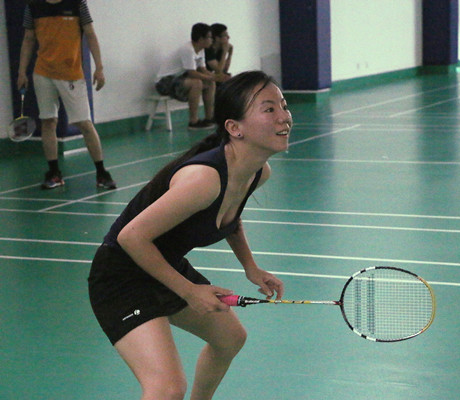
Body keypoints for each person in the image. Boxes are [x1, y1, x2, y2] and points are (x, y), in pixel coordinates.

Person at [88, 71, 292, 400]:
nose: (283, 116)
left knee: (230, 338)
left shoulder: (256, 172)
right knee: (167, 389)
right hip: (121, 277)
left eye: (283, 105)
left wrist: (250, 267)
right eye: (269, 109)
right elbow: (131, 237)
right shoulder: (203, 179)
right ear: (234, 128)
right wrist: (189, 291)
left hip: (163, 264)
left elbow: (230, 215)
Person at [17, 0, 116, 190]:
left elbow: (90, 34)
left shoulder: (77, 3)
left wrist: (99, 68)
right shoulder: (33, 6)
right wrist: (22, 72)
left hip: (71, 74)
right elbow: (28, 39)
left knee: (85, 124)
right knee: (48, 121)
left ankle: (102, 173)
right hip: (43, 73)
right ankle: (54, 173)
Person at [155, 23, 228, 130]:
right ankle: (193, 121)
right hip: (164, 82)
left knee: (210, 83)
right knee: (196, 83)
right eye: (209, 37)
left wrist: (216, 77)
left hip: (180, 79)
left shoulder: (201, 50)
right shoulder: (188, 49)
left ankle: (209, 118)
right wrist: (213, 77)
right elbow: (192, 73)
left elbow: (203, 69)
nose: (211, 40)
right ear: (201, 39)